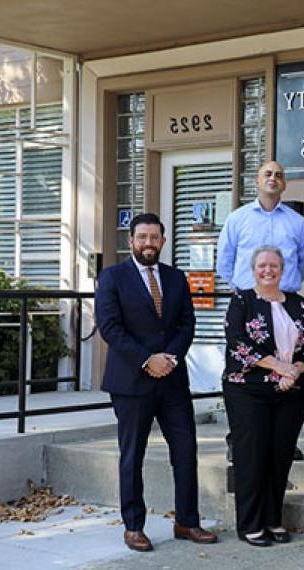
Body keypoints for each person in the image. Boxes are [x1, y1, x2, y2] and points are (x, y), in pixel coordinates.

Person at [95, 212, 218, 552]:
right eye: (142, 237)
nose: (148, 243)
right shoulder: (112, 277)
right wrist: (148, 360)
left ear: (163, 241)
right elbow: (110, 327)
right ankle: (134, 526)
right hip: (131, 381)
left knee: (186, 451)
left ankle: (187, 521)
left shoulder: (176, 278)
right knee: (132, 456)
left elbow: (186, 325)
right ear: (131, 241)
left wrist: (170, 359)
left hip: (173, 381)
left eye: (154, 238)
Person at [222, 246, 304, 547]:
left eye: (274, 265)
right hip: (248, 390)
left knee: (279, 457)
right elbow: (238, 343)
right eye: (262, 265)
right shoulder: (242, 301)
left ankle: (272, 518)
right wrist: (280, 367)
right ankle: (250, 523)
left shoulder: (299, 304)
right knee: (252, 457)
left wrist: (295, 371)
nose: (268, 270)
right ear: (253, 269)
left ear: (282, 269)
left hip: (292, 392)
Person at [216, 160, 304, 462]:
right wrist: (247, 293)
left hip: (285, 303)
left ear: (284, 184)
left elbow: (303, 264)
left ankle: (284, 439)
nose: (273, 178)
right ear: (256, 181)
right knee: (243, 372)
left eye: (279, 175)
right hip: (249, 303)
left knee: (286, 365)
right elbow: (225, 262)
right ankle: (237, 437)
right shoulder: (238, 218)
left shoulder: (296, 222)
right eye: (267, 174)